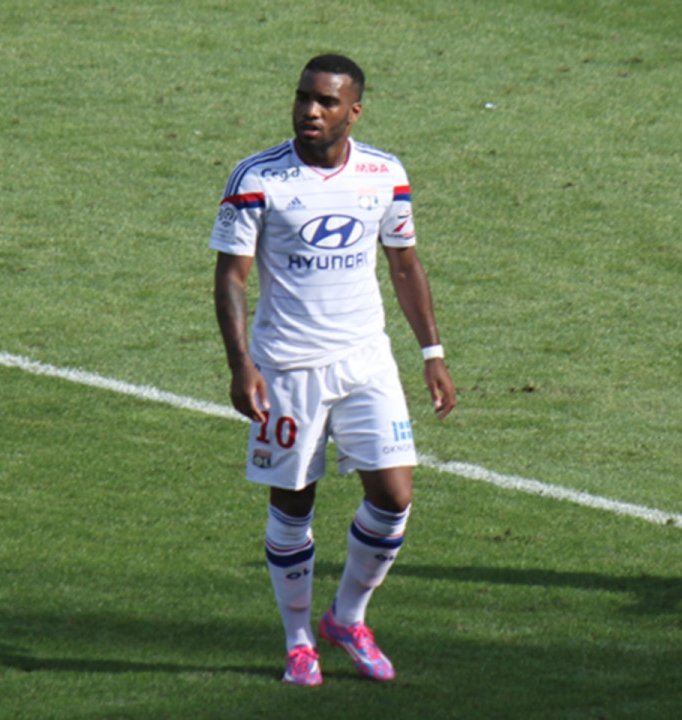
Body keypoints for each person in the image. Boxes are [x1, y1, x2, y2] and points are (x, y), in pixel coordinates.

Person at [210, 54, 455, 686]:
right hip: (287, 367)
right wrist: (242, 366)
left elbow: (404, 265)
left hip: (366, 359)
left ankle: (347, 617)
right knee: (294, 504)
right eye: (302, 98)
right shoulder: (256, 177)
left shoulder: (384, 174)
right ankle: (297, 641)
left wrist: (432, 353)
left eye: (325, 102)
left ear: (354, 111)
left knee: (394, 495)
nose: (309, 111)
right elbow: (230, 278)